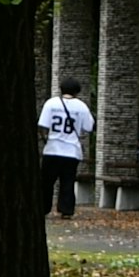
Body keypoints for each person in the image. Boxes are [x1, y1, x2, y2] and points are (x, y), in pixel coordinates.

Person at [38, 78, 96, 220]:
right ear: (77, 91)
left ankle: (43, 208)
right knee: (68, 181)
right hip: (71, 151)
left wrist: (46, 140)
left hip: (52, 149)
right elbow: (89, 127)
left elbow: (42, 125)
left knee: (46, 182)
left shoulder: (51, 103)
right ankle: (66, 210)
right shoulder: (81, 106)